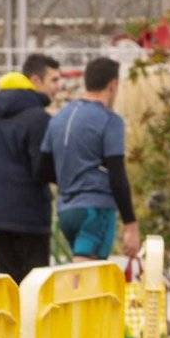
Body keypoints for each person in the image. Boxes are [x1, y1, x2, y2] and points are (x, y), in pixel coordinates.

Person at [0, 54, 60, 284]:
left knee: (10, 288)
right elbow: (41, 169)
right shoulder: (39, 119)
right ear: (35, 81)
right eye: (54, 80)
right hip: (30, 217)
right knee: (34, 288)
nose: (58, 88)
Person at [44, 56, 140, 261]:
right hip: (95, 209)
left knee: (82, 273)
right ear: (113, 85)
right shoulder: (110, 120)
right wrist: (130, 224)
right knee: (85, 278)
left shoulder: (58, 119)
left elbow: (42, 167)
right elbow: (117, 173)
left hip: (66, 210)